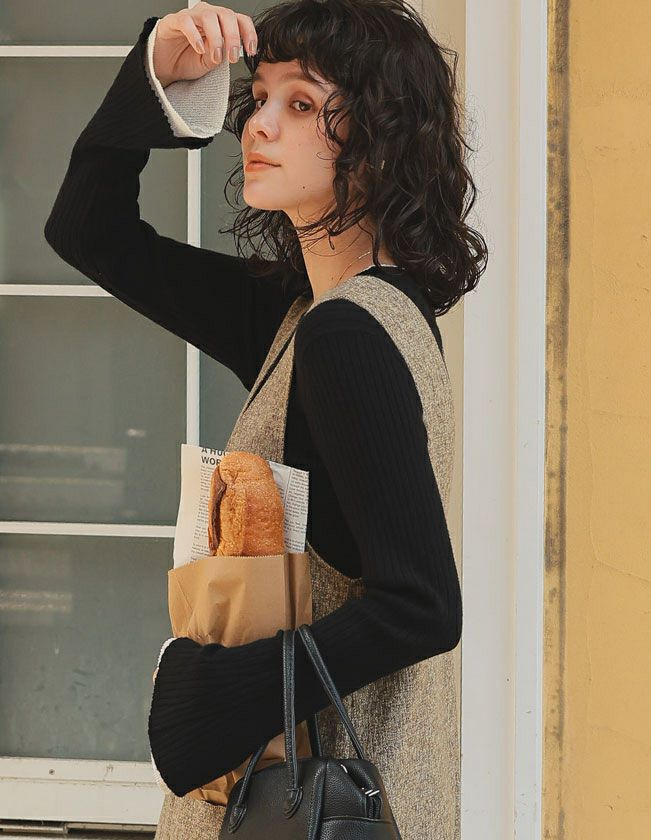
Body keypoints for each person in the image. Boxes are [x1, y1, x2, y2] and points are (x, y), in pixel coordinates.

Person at [44, 2, 487, 838]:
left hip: (302, 808)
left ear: (380, 140)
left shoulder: (344, 335)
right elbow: (88, 230)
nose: (258, 124)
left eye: (303, 103)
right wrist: (159, 69)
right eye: (260, 97)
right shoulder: (318, 315)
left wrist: (210, 700)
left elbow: (422, 604)